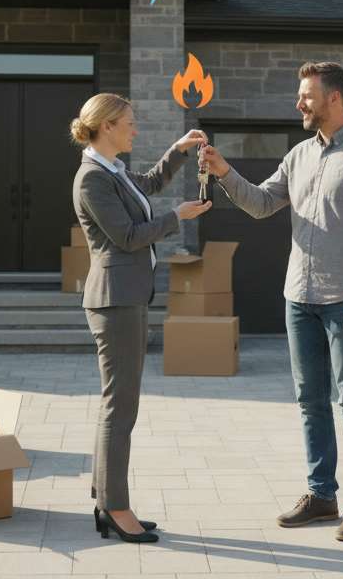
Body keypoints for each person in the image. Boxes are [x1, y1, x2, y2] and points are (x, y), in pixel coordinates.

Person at [198, 61, 343, 542]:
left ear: (334, 99)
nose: (299, 103)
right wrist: (224, 169)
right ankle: (321, 495)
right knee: (311, 401)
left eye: (306, 95)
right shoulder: (299, 155)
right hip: (298, 297)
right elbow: (262, 203)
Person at [69, 93, 212, 544]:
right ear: (106, 126)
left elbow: (147, 184)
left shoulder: (111, 170)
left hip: (128, 298)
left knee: (117, 405)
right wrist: (178, 218)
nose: (135, 130)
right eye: (129, 122)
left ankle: (105, 499)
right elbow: (128, 237)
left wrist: (179, 151)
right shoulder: (91, 179)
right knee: (120, 408)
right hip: (115, 302)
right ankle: (116, 507)